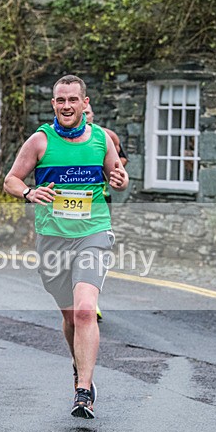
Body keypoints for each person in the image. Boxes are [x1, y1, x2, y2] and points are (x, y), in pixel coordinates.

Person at [3, 74, 128, 420]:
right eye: (61, 100)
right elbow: (11, 180)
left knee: (86, 310)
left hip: (93, 233)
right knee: (71, 315)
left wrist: (120, 180)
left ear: (85, 103)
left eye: (73, 99)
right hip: (53, 239)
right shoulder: (40, 141)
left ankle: (83, 390)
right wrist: (29, 192)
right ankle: (78, 363)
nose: (67, 106)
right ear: (53, 104)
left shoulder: (102, 139)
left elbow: (118, 176)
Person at [83, 103, 128, 321]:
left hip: (100, 201)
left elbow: (121, 161)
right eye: (82, 113)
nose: (84, 116)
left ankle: (91, 300)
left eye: (87, 113)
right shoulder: (60, 139)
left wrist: (106, 168)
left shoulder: (106, 136)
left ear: (92, 114)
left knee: (94, 250)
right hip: (70, 205)